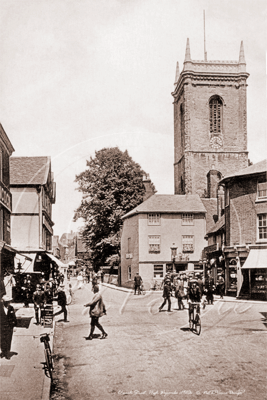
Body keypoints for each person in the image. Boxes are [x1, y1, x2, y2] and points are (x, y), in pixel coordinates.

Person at [0, 295, 17, 359]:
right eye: (7, 301)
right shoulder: (0, 308)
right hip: (1, 326)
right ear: (3, 302)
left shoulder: (11, 308)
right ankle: (3, 352)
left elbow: (14, 317)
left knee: (8, 339)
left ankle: (7, 353)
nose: (8, 303)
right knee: (2, 339)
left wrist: (15, 326)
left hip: (9, 326)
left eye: (9, 301)